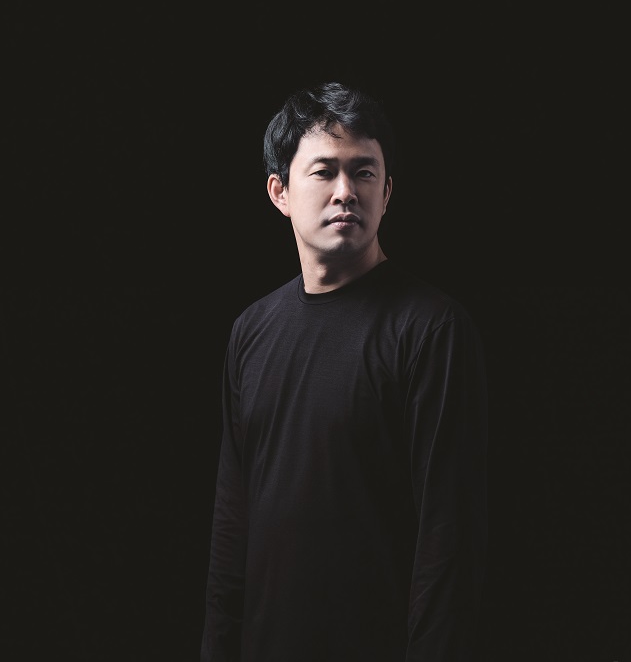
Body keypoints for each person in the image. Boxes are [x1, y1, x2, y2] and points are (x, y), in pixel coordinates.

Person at [200, 81, 489, 662]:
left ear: (387, 192)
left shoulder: (431, 330)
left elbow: (448, 541)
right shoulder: (251, 330)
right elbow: (233, 519)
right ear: (280, 191)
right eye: (324, 171)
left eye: (364, 173)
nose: (346, 192)